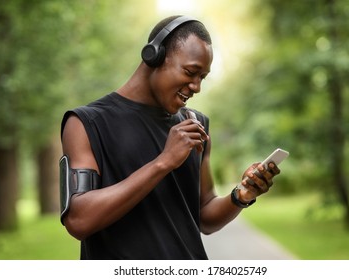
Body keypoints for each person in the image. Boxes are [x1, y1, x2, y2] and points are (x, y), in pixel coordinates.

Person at [59, 15, 281, 260]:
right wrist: (163, 162)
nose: (196, 86)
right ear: (154, 56)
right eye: (190, 72)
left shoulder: (196, 126)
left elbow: (205, 215)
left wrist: (241, 195)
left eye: (202, 78)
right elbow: (78, 220)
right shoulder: (86, 124)